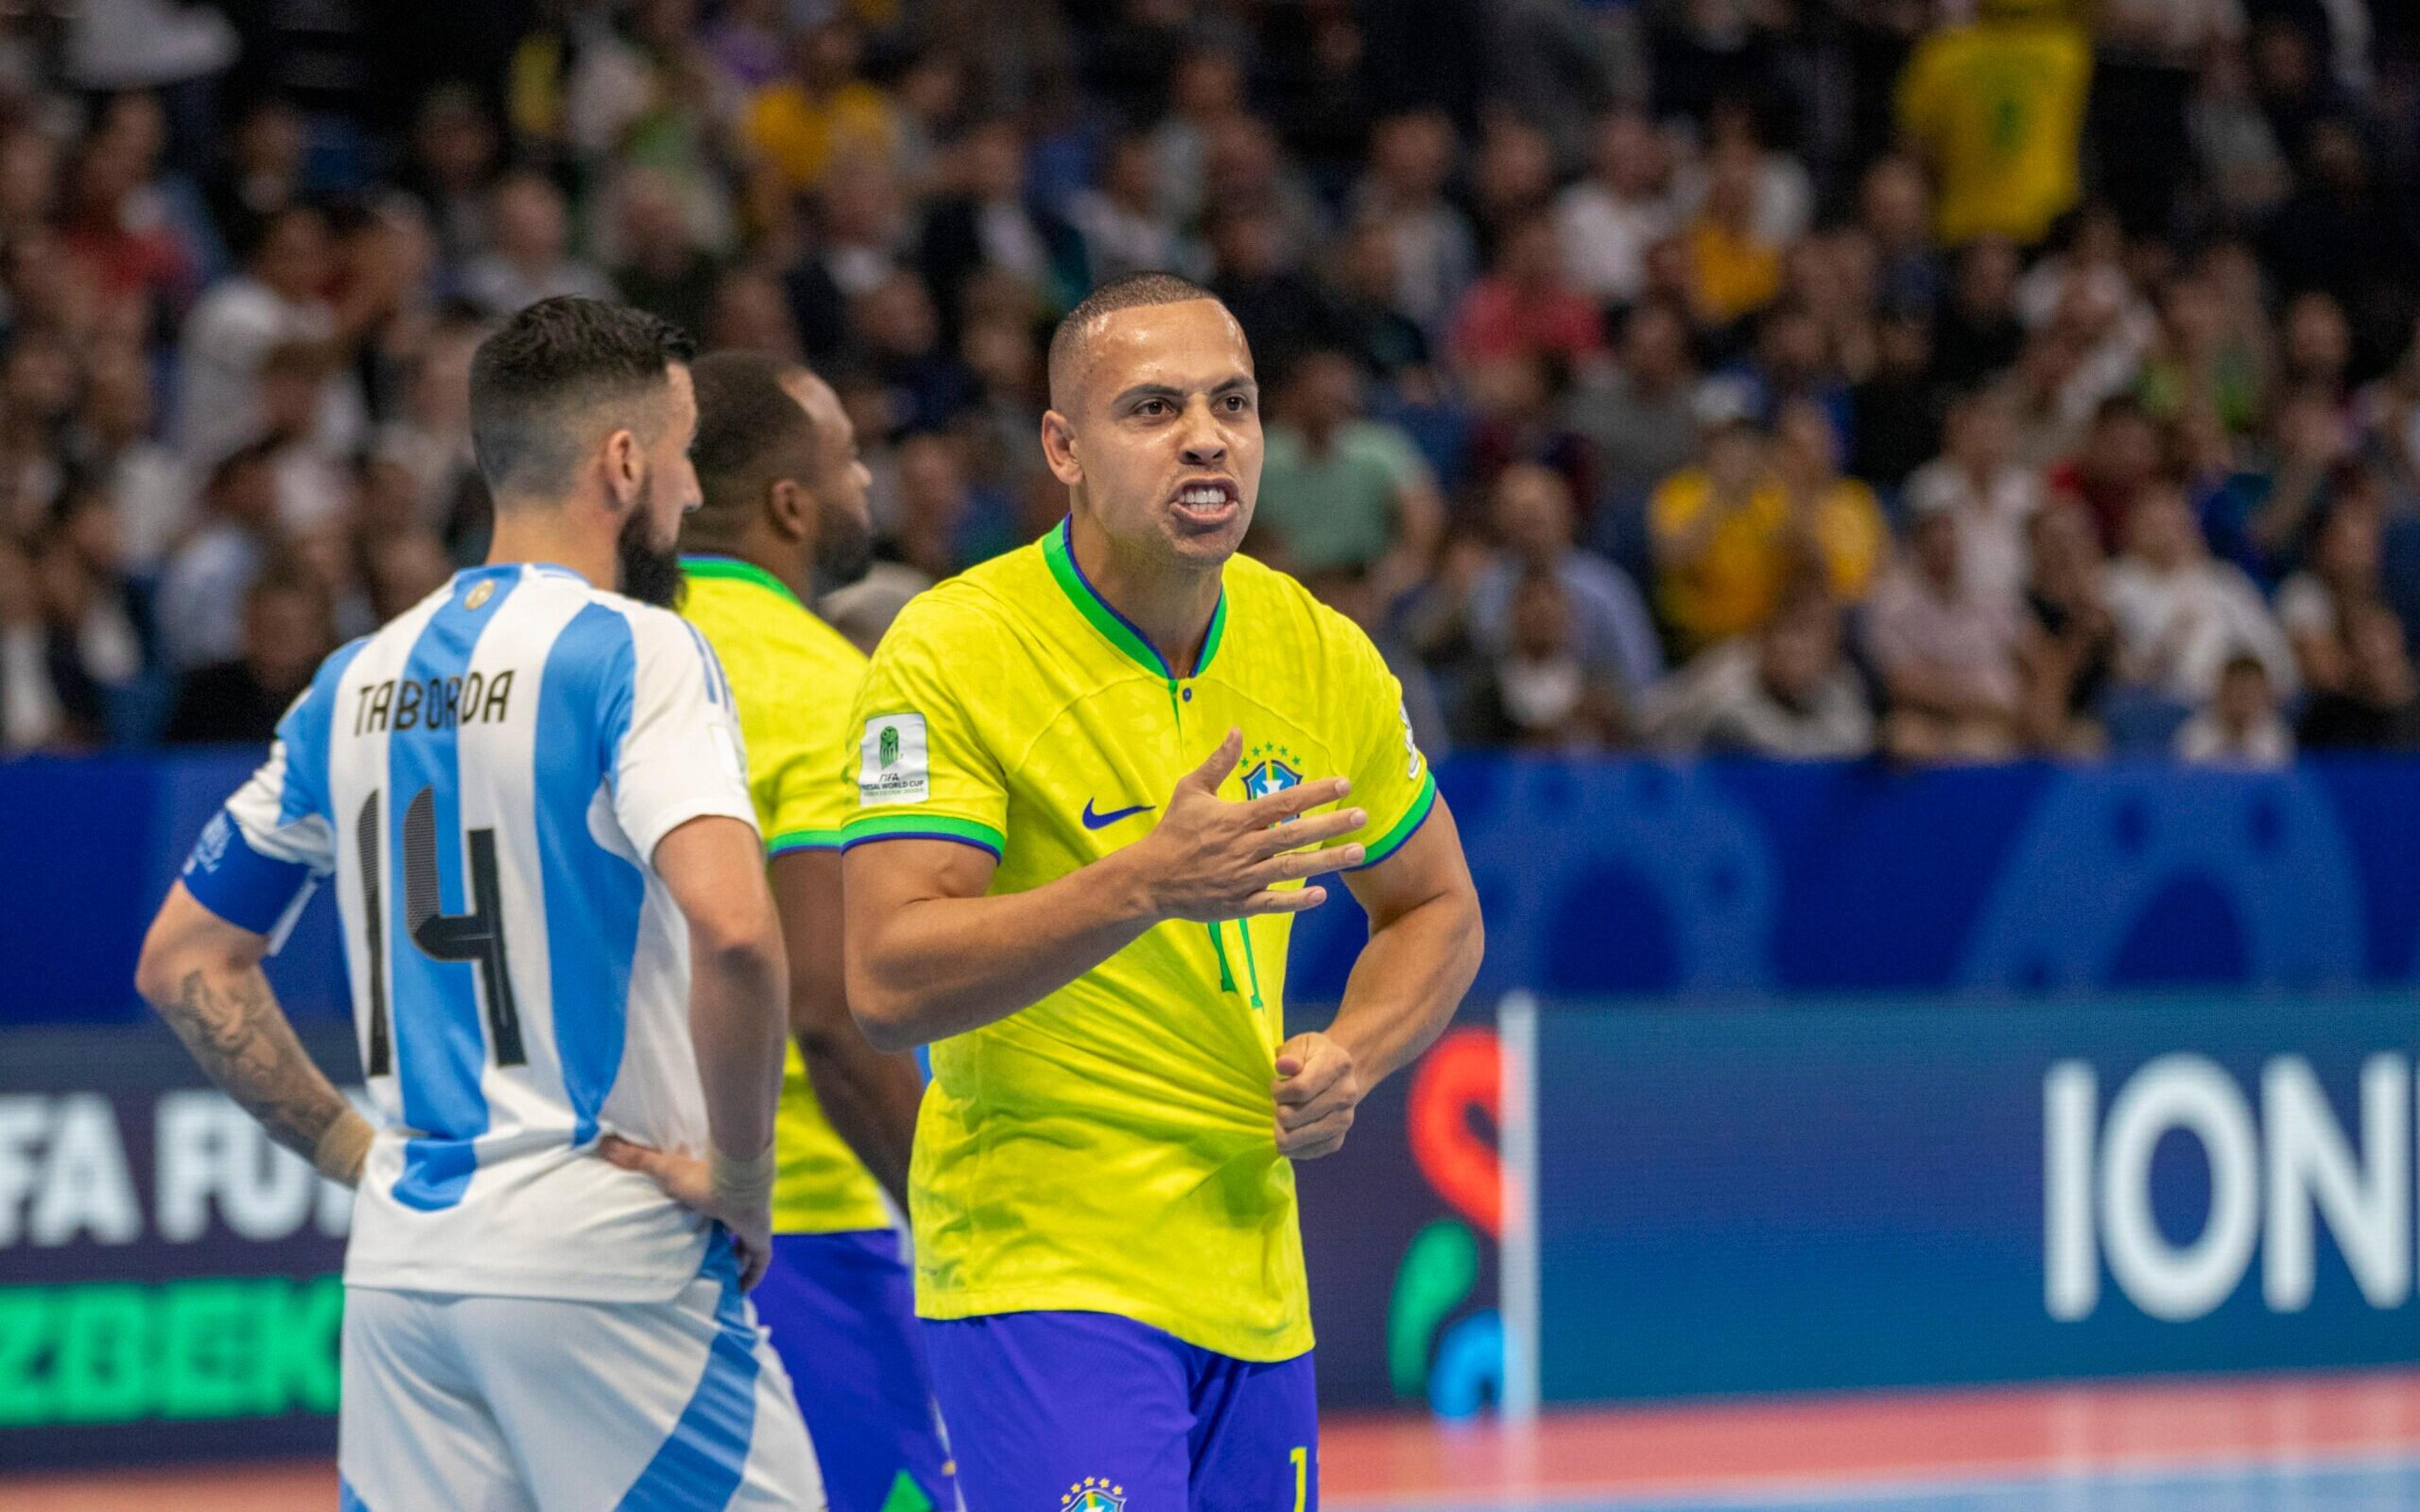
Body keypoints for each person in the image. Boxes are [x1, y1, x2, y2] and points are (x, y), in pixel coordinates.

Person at [130, 297, 821, 1509]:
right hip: (604, 1259)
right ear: (622, 462)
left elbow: (185, 960)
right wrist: (746, 1178)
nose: (690, 489)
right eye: (680, 450)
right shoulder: (639, 650)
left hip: (404, 1273)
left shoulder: (352, 678)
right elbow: (736, 929)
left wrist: (351, 1151)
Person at [839, 272, 1485, 1506]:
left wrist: (1354, 1050)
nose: (1206, 436)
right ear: (1064, 450)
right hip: (1044, 1263)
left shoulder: (1320, 651)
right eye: (1153, 409)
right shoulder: (955, 649)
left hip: (1252, 1268)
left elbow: (1436, 909)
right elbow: (886, 979)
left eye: (1231, 404)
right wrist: (1142, 883)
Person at [661, 348, 955, 1512]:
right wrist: (962, 1217)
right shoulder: (829, 688)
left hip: (609, 1213)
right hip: (805, 1227)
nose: (868, 489)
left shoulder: (604, 653)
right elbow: (835, 1020)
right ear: (791, 505)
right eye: (847, 464)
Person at [161, 563, 334, 745]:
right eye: (267, 626)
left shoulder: (337, 693)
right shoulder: (208, 694)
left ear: (320, 633)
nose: (279, 639)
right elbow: (180, 763)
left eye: (292, 628)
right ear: (248, 626)